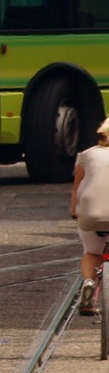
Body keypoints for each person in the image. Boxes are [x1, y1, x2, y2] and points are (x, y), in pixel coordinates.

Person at [70, 118, 109, 314]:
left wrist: (74, 212)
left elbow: (77, 187)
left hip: (91, 215)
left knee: (92, 253)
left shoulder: (87, 155)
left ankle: (89, 281)